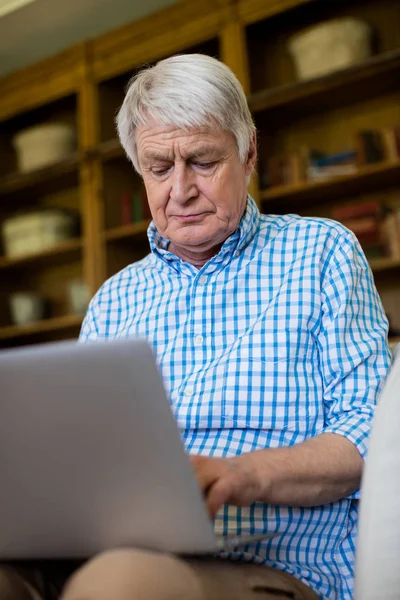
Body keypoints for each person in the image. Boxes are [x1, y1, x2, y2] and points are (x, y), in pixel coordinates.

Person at [0, 54, 391, 600]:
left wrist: (247, 475)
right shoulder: (114, 300)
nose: (179, 190)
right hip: (119, 548)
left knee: (118, 587)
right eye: (159, 168)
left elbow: (372, 436)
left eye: (202, 162)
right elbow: (88, 463)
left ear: (249, 151)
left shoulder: (321, 254)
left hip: (277, 564)